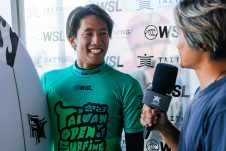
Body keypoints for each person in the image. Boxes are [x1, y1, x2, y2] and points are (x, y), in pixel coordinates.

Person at [41, 4, 144, 151]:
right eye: (88, 34)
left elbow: (135, 147)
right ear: (72, 40)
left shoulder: (127, 85)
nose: (97, 40)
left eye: (103, 33)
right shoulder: (47, 82)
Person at [140, 0, 226, 151]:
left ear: (202, 39)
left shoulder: (221, 107)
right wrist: (164, 126)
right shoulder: (205, 90)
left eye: (179, 34)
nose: (177, 44)